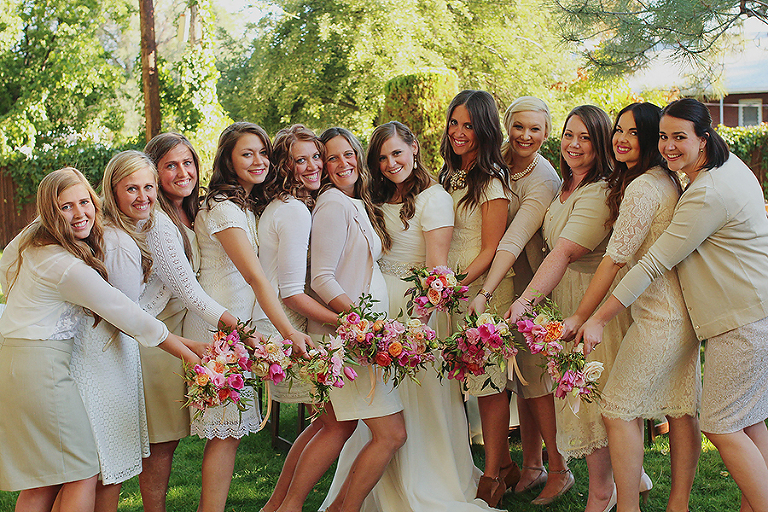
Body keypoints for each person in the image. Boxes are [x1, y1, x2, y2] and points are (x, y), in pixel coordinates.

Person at [576, 98, 768, 512]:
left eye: (680, 137)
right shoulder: (722, 169)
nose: (669, 146)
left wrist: (597, 318)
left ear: (704, 137)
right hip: (748, 310)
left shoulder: (705, 192)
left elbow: (651, 263)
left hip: (738, 320)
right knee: (746, 421)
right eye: (664, 136)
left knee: (723, 426)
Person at [0, 167, 204, 512]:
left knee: (46, 479)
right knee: (82, 471)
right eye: (66, 207)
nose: (79, 213)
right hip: (41, 369)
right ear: (50, 213)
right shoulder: (65, 266)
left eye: (84, 202)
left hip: (15, 359)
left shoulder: (32, 242)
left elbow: (6, 267)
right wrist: (187, 351)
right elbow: (125, 312)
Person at [560, 102, 701, 512]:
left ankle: (627, 506)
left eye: (634, 132)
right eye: (619, 129)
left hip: (660, 316)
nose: (621, 139)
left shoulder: (643, 187)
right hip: (680, 312)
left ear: (652, 137)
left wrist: (584, 316)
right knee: (680, 407)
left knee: (618, 410)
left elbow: (614, 260)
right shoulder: (667, 179)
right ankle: (677, 504)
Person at [505, 105, 633, 512]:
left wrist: (524, 302)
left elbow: (563, 252)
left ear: (601, 145)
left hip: (589, 303)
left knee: (590, 403)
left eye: (586, 138)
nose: (574, 145)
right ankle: (630, 481)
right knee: (579, 399)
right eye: (569, 135)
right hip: (563, 303)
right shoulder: (566, 185)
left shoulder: (598, 191)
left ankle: (603, 493)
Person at [183, 122, 311, 512]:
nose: (258, 161)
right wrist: (289, 331)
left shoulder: (241, 205)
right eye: (247, 153)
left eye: (263, 153)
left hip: (237, 330)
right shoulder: (223, 209)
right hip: (218, 330)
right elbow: (255, 277)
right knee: (224, 435)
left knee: (229, 435)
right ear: (228, 159)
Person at [283, 127, 405, 512]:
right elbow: (321, 278)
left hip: (357, 336)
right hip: (350, 339)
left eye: (347, 154)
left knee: (332, 426)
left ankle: (287, 507)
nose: (341, 163)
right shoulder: (333, 204)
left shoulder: (352, 201)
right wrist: (361, 323)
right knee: (390, 433)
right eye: (331, 157)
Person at [467, 96, 568, 504]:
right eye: (519, 126)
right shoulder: (496, 159)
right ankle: (531, 465)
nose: (526, 135)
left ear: (547, 133)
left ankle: (559, 468)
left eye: (535, 129)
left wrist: (485, 291)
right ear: (507, 125)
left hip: (529, 283)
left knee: (535, 378)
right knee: (518, 380)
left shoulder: (543, 178)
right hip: (497, 276)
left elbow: (514, 237)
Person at [139, 133, 245, 512]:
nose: (183, 172)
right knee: (162, 442)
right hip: (155, 336)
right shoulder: (158, 221)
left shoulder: (191, 210)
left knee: (170, 438)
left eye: (188, 163)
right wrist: (240, 329)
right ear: (154, 172)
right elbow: (188, 291)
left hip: (178, 335)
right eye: (170, 165)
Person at [69, 151, 162, 511]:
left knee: (97, 466)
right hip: (106, 360)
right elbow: (126, 315)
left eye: (148, 187)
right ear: (112, 190)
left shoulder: (110, 233)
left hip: (101, 354)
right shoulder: (119, 242)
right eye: (131, 188)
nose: (142, 197)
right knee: (108, 466)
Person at [439, 89, 515, 507]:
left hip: (483, 292)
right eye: (454, 122)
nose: (459, 132)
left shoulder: (492, 181)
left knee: (487, 384)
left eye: (468, 125)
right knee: (459, 380)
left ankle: (492, 476)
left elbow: (491, 249)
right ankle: (498, 464)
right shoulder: (448, 175)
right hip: (450, 292)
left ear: (484, 129)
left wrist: (457, 287)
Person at [259, 124, 338, 512]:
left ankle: (276, 506)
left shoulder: (291, 205)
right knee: (336, 424)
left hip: (287, 323)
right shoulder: (292, 211)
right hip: (289, 326)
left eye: (316, 157)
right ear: (284, 167)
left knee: (324, 422)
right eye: (300, 160)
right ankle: (287, 506)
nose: (313, 166)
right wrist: (344, 321)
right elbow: (290, 292)